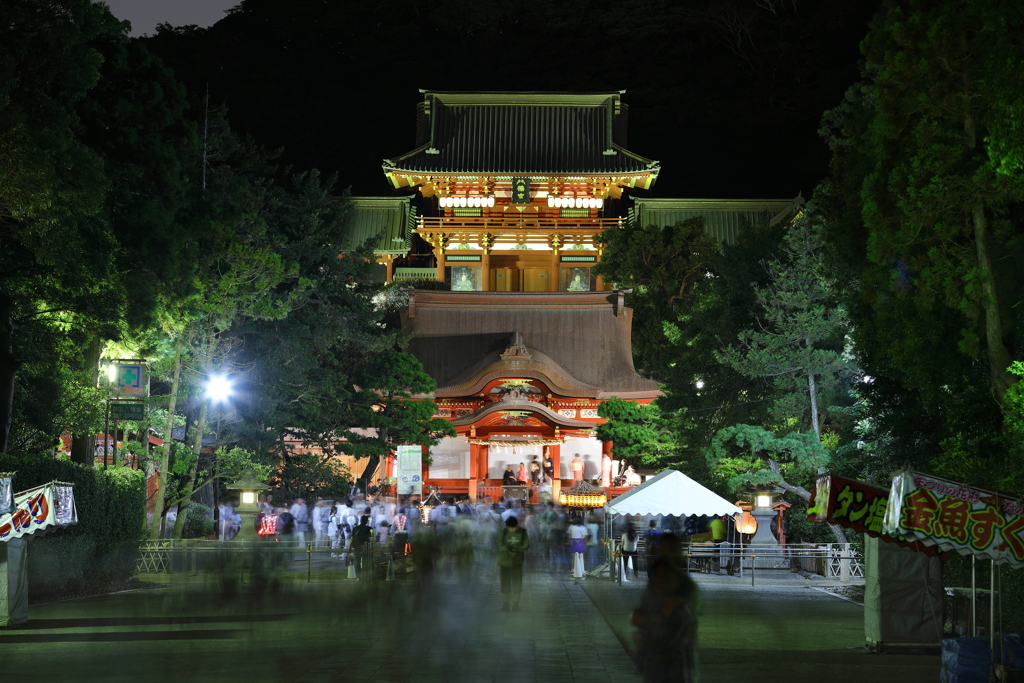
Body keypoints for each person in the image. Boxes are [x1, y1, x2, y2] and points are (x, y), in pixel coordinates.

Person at [630, 556, 700, 683]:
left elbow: (667, 648)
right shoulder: (656, 607)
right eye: (656, 576)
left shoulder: (683, 611)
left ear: (676, 580)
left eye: (665, 576)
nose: (660, 581)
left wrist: (644, 625)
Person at [496, 516, 530, 611]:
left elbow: (526, 545)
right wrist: (507, 548)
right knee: (505, 584)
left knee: (517, 584)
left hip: (517, 562)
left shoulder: (522, 532)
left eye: (513, 527)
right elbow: (499, 545)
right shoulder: (503, 532)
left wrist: (517, 548)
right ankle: (505, 605)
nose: (512, 529)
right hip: (505, 562)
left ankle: (516, 605)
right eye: (510, 527)